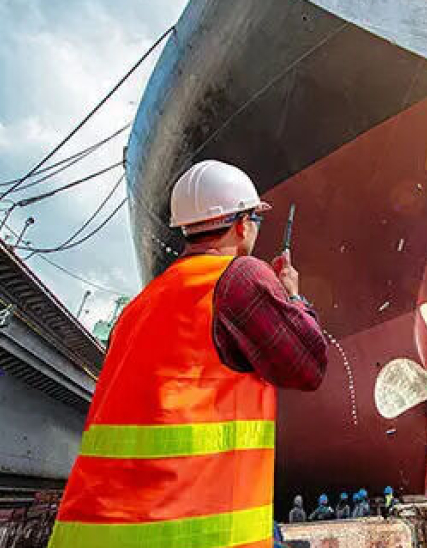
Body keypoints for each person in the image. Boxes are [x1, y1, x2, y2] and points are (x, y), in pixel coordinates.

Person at [48, 160, 329, 548]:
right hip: (191, 530)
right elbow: (308, 367)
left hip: (87, 531)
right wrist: (293, 297)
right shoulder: (242, 276)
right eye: (255, 222)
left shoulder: (138, 307)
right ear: (242, 225)